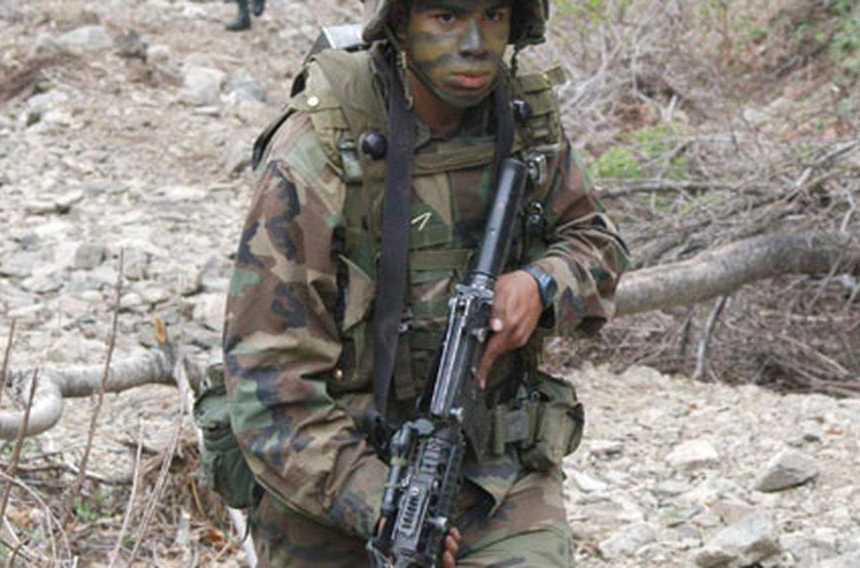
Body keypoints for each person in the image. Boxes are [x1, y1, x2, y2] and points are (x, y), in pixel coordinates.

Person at [222, 0, 630, 565]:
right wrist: (384, 507)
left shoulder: (523, 118)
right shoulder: (319, 151)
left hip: (491, 473)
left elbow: (598, 240)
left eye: (492, 16)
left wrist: (541, 283)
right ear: (399, 25)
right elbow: (267, 387)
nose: (474, 42)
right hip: (329, 474)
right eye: (446, 17)